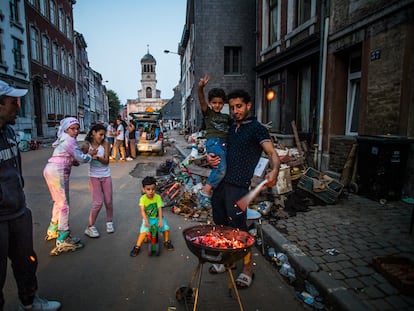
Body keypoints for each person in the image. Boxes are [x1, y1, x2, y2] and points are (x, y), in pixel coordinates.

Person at [207, 89, 280, 288]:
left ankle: (248, 268)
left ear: (248, 105)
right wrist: (210, 157)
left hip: (239, 187)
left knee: (239, 229)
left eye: (239, 106)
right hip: (221, 185)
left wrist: (274, 170)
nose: (235, 111)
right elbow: (217, 146)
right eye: (232, 107)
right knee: (221, 225)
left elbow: (272, 153)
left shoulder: (257, 129)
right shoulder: (230, 127)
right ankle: (227, 260)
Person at [0, 80, 61, 310]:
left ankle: (30, 301)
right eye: (13, 101)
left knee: (26, 262)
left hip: (18, 212)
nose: (18, 105)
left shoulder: (9, 131)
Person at [43, 117, 97, 255]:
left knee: (59, 202)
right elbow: (80, 158)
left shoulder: (63, 138)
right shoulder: (69, 140)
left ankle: (53, 229)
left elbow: (70, 157)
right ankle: (63, 238)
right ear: (66, 129)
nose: (76, 131)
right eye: (73, 128)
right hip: (58, 172)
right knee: (64, 205)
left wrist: (76, 159)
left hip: (53, 170)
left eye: (78, 128)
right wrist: (90, 156)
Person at [197, 74, 232, 209]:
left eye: (220, 103)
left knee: (222, 168)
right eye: (214, 103)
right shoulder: (208, 113)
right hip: (214, 143)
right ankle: (205, 192)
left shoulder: (226, 117)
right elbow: (201, 100)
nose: (217, 105)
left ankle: (211, 193)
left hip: (224, 144)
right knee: (221, 169)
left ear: (223, 104)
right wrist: (200, 88)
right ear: (210, 103)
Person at [83, 124, 114, 238]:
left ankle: (109, 222)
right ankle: (90, 226)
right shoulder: (87, 145)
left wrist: (98, 158)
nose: (102, 137)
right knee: (98, 203)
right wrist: (89, 155)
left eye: (104, 135)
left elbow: (106, 161)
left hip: (106, 175)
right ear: (93, 133)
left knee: (109, 201)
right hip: (94, 177)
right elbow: (81, 158)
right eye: (100, 134)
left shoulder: (105, 144)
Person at [130, 176, 174, 256]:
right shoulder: (143, 199)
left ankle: (167, 241)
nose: (151, 191)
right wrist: (146, 221)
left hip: (157, 218)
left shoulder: (157, 197)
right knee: (143, 231)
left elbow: (160, 209)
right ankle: (137, 246)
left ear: (155, 188)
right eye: (148, 189)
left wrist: (160, 220)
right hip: (148, 218)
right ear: (143, 189)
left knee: (166, 228)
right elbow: (142, 211)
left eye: (153, 189)